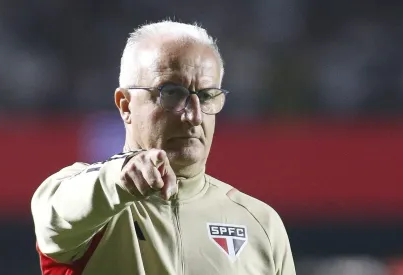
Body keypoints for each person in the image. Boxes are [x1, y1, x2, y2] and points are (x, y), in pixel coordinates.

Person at [31, 20, 296, 275]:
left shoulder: (261, 223)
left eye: (206, 96)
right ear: (125, 104)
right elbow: (57, 211)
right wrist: (120, 178)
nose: (193, 116)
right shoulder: (89, 202)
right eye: (172, 93)